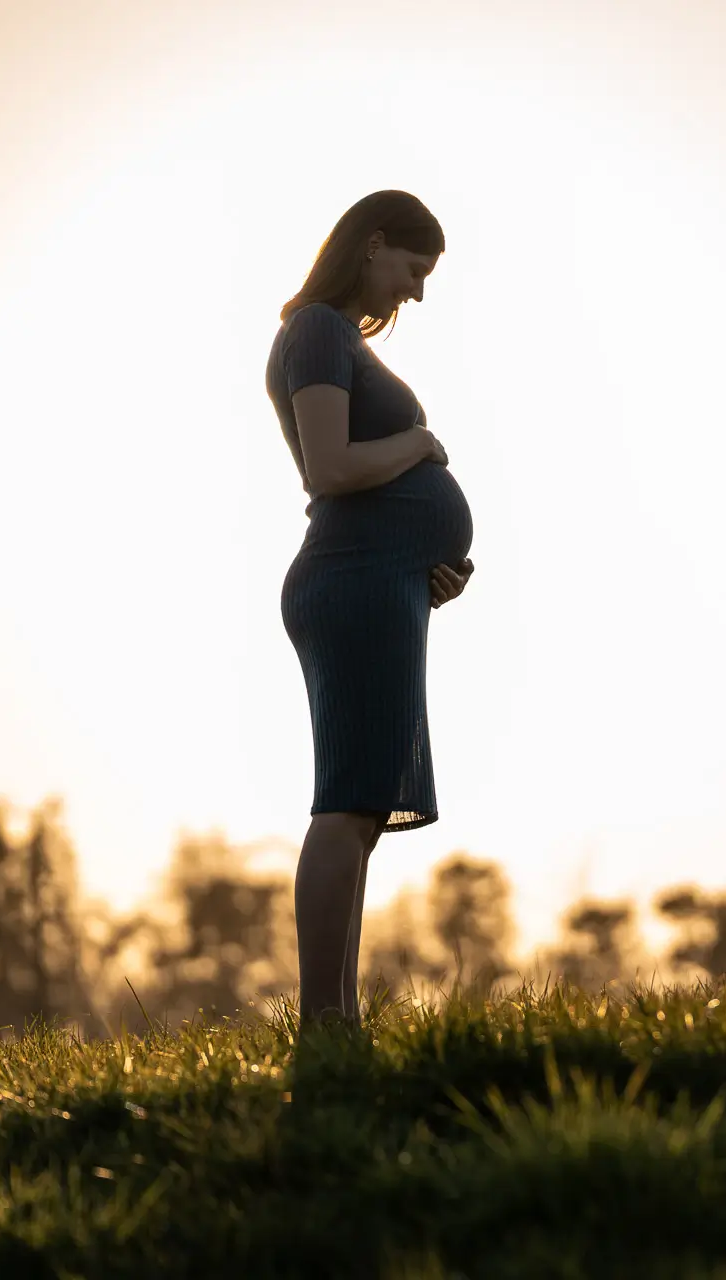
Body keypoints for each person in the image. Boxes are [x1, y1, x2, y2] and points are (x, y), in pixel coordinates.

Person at [264, 190, 476, 1032]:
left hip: (379, 583)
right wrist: (422, 445)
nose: (416, 293)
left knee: (360, 813)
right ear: (374, 245)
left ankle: (341, 1021)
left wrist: (429, 567)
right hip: (347, 584)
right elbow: (329, 468)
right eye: (414, 270)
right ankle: (324, 1020)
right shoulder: (316, 329)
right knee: (345, 802)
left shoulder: (339, 340)